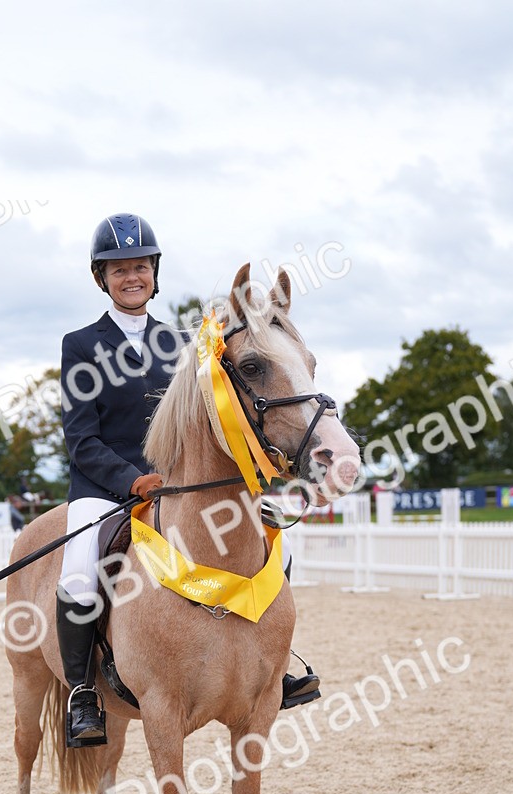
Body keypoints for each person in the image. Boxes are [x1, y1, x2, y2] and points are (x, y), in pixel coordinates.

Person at [56, 212, 319, 749]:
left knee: (272, 547)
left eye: (140, 267)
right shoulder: (80, 344)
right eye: (118, 269)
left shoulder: (186, 343)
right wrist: (133, 480)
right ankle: (83, 691)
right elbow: (82, 439)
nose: (132, 277)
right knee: (80, 574)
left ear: (154, 273)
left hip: (181, 487)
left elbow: (221, 410)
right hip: (106, 488)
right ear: (101, 278)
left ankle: (275, 666)